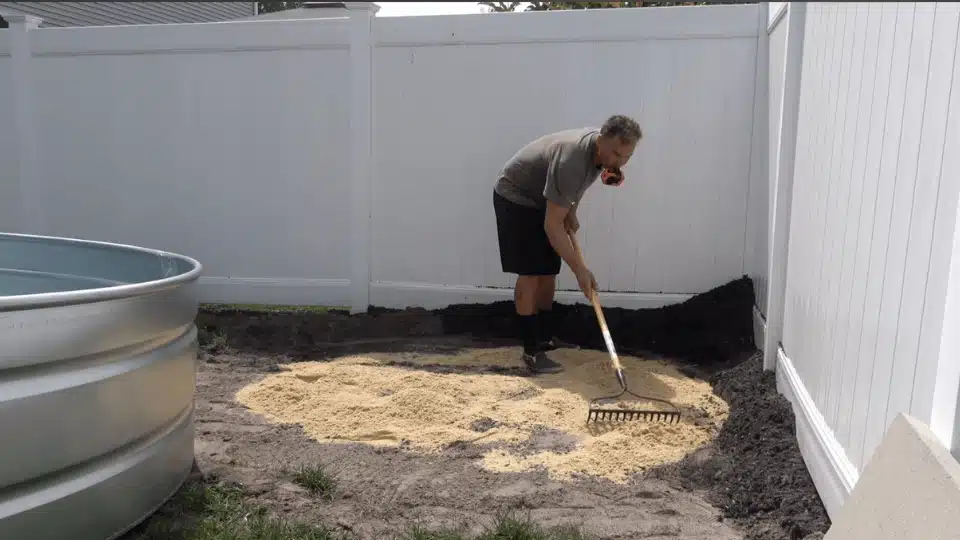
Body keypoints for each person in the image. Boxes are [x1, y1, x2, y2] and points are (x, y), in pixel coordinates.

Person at [492, 114, 642, 374]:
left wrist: (571, 209)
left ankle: (544, 337)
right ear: (601, 141)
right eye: (616, 154)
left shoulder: (601, 153)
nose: (619, 162)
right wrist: (580, 271)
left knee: (549, 270)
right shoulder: (572, 159)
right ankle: (531, 352)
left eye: (626, 157)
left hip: (543, 197)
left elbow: (581, 182)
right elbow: (553, 225)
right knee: (531, 273)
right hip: (516, 198)